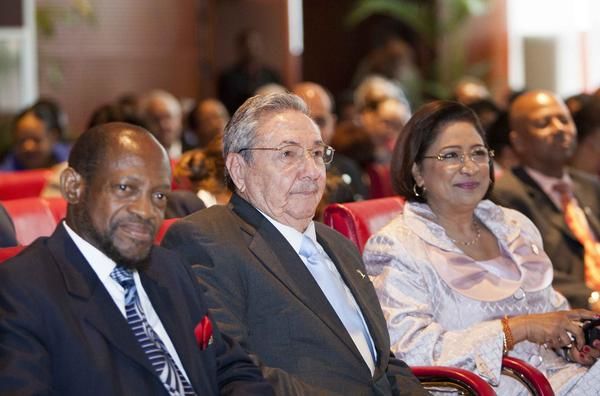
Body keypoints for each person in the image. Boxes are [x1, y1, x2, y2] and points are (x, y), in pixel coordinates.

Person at [162, 93, 426, 395]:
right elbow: (231, 370)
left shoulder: (339, 245)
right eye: (288, 154)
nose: (313, 172)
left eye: (316, 153)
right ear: (238, 169)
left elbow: (382, 364)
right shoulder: (207, 239)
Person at [0, 122, 273, 395]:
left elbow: (230, 368)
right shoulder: (21, 288)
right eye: (125, 188)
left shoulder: (171, 267)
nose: (146, 211)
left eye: (158, 195)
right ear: (73, 187)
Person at [363, 100, 600, 395]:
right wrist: (515, 330)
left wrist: (572, 346)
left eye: (478, 153)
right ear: (418, 172)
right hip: (486, 388)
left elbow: (550, 313)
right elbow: (409, 350)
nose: (469, 167)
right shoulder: (396, 245)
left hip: (556, 376)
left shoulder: (512, 225)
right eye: (451, 155)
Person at [491, 90, 600, 310]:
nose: (559, 129)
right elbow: (527, 267)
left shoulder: (590, 185)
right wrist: (593, 298)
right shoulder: (505, 195)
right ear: (518, 141)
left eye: (564, 119)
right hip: (568, 314)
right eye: (543, 123)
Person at [292, 81, 368, 200]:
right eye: (302, 122)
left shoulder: (348, 171)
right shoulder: (277, 174)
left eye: (320, 122)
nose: (313, 133)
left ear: (333, 124)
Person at [217, 29, 281, 115]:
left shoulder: (272, 75)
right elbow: (225, 108)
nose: (252, 49)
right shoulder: (228, 77)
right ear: (240, 48)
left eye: (255, 45)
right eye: (248, 46)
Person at [0, 103, 70, 171]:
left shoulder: (71, 164)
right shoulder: (6, 173)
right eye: (22, 140)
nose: (28, 147)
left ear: (53, 137)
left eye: (36, 140)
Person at [139, 90, 184, 159]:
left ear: (179, 119)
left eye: (168, 117)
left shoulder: (195, 152)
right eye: (156, 119)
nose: (163, 125)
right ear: (146, 122)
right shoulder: (140, 154)